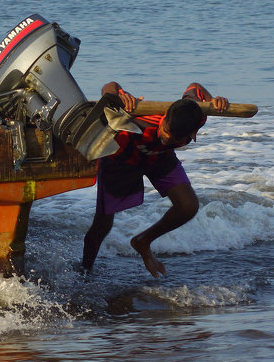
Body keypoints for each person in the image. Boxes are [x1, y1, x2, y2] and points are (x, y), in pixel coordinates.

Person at [81, 81, 229, 278]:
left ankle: (143, 241)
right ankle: (85, 270)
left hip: (159, 158)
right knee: (102, 224)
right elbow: (110, 86)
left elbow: (195, 88)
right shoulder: (144, 114)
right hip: (121, 158)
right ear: (165, 117)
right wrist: (119, 97)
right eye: (165, 132)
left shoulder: (196, 116)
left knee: (188, 206)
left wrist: (212, 101)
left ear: (193, 133)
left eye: (173, 140)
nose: (166, 139)